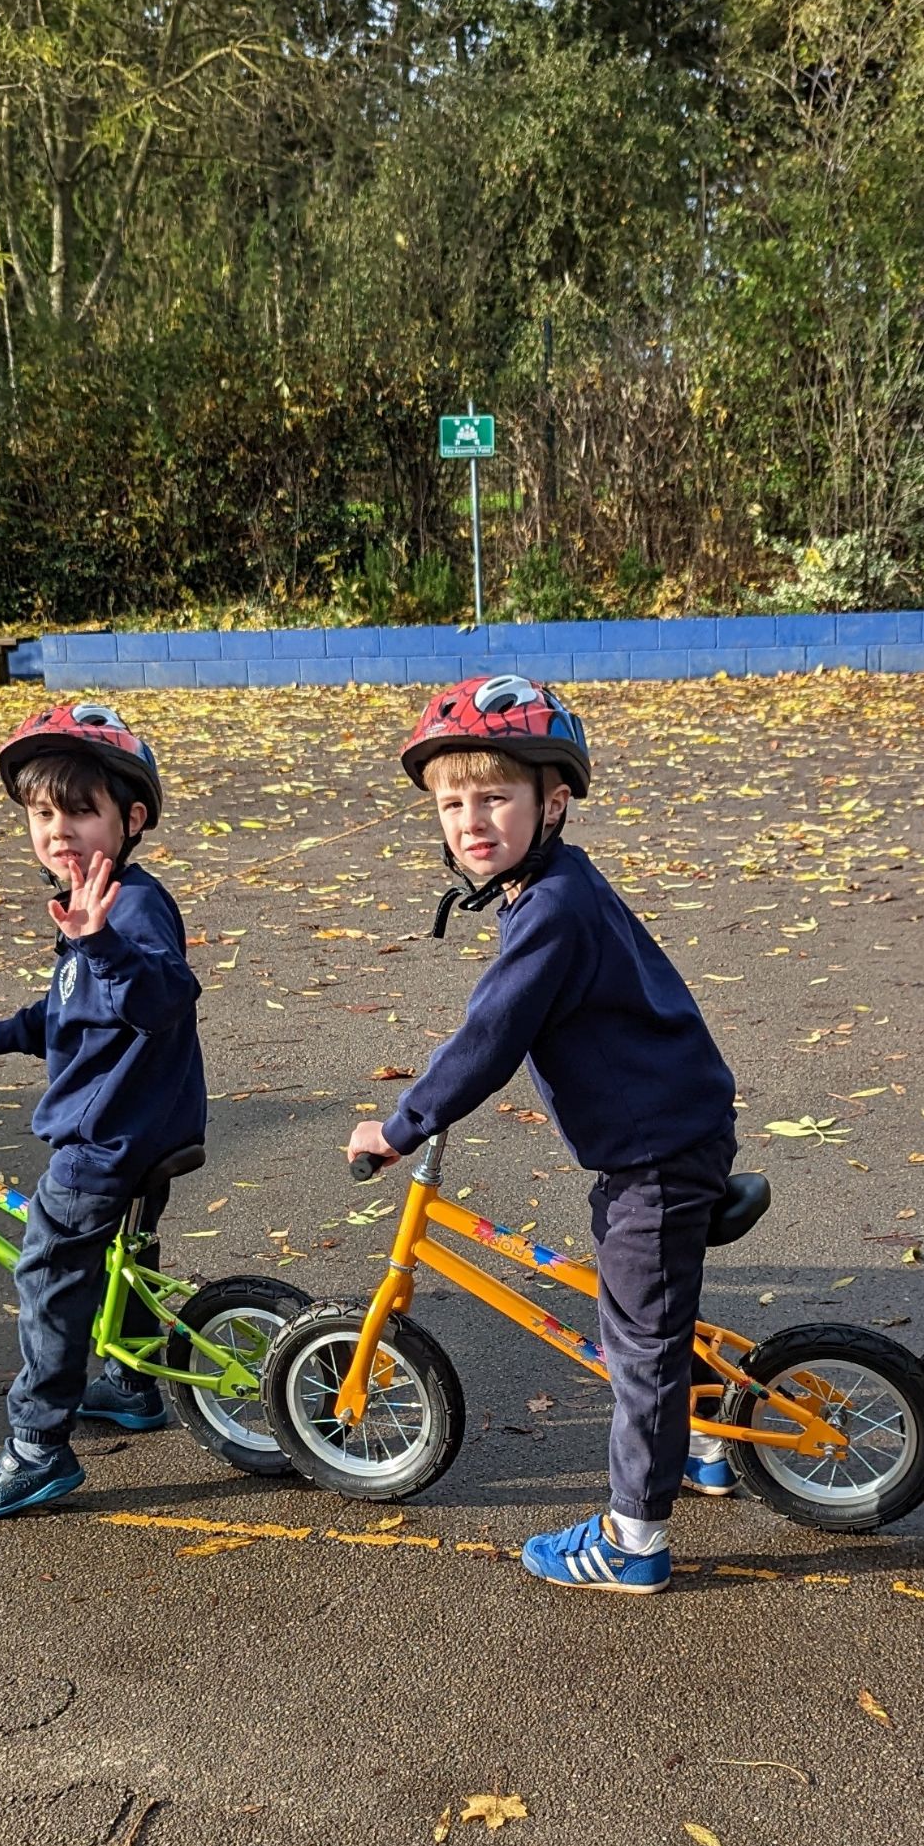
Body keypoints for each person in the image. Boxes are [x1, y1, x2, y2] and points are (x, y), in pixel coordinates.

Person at [348, 674, 739, 1594]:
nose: (471, 819)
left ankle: (634, 1539)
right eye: (452, 803)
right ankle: (708, 1441)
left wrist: (403, 1126)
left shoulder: (552, 908)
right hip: (666, 1129)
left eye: (495, 797)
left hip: (656, 1150)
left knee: (639, 1334)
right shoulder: (550, 889)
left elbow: (489, 1036)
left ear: (552, 802)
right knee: (644, 1305)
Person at [0, 703, 204, 1519]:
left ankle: (36, 1448)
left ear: (130, 819)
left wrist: (100, 941)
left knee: (51, 1275)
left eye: (80, 812)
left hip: (107, 1139)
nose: (59, 831)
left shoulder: (127, 910)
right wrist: (7, 1032)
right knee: (131, 1251)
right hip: (146, 1123)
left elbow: (158, 997)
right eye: (42, 813)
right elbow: (77, 1007)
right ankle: (132, 1383)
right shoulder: (96, 905)